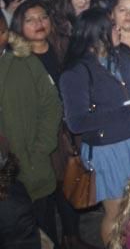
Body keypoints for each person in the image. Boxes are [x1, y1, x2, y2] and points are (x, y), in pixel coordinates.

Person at [61, 7, 130, 244]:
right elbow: (77, 122)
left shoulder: (125, 54)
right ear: (97, 34)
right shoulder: (76, 72)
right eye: (113, 27)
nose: (119, 29)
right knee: (118, 212)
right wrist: (126, 111)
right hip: (109, 148)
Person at [0, 15, 63, 245]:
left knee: (42, 234)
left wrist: (42, 147)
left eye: (2, 32)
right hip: (3, 182)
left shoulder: (23, 59)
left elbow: (51, 103)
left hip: (31, 166)